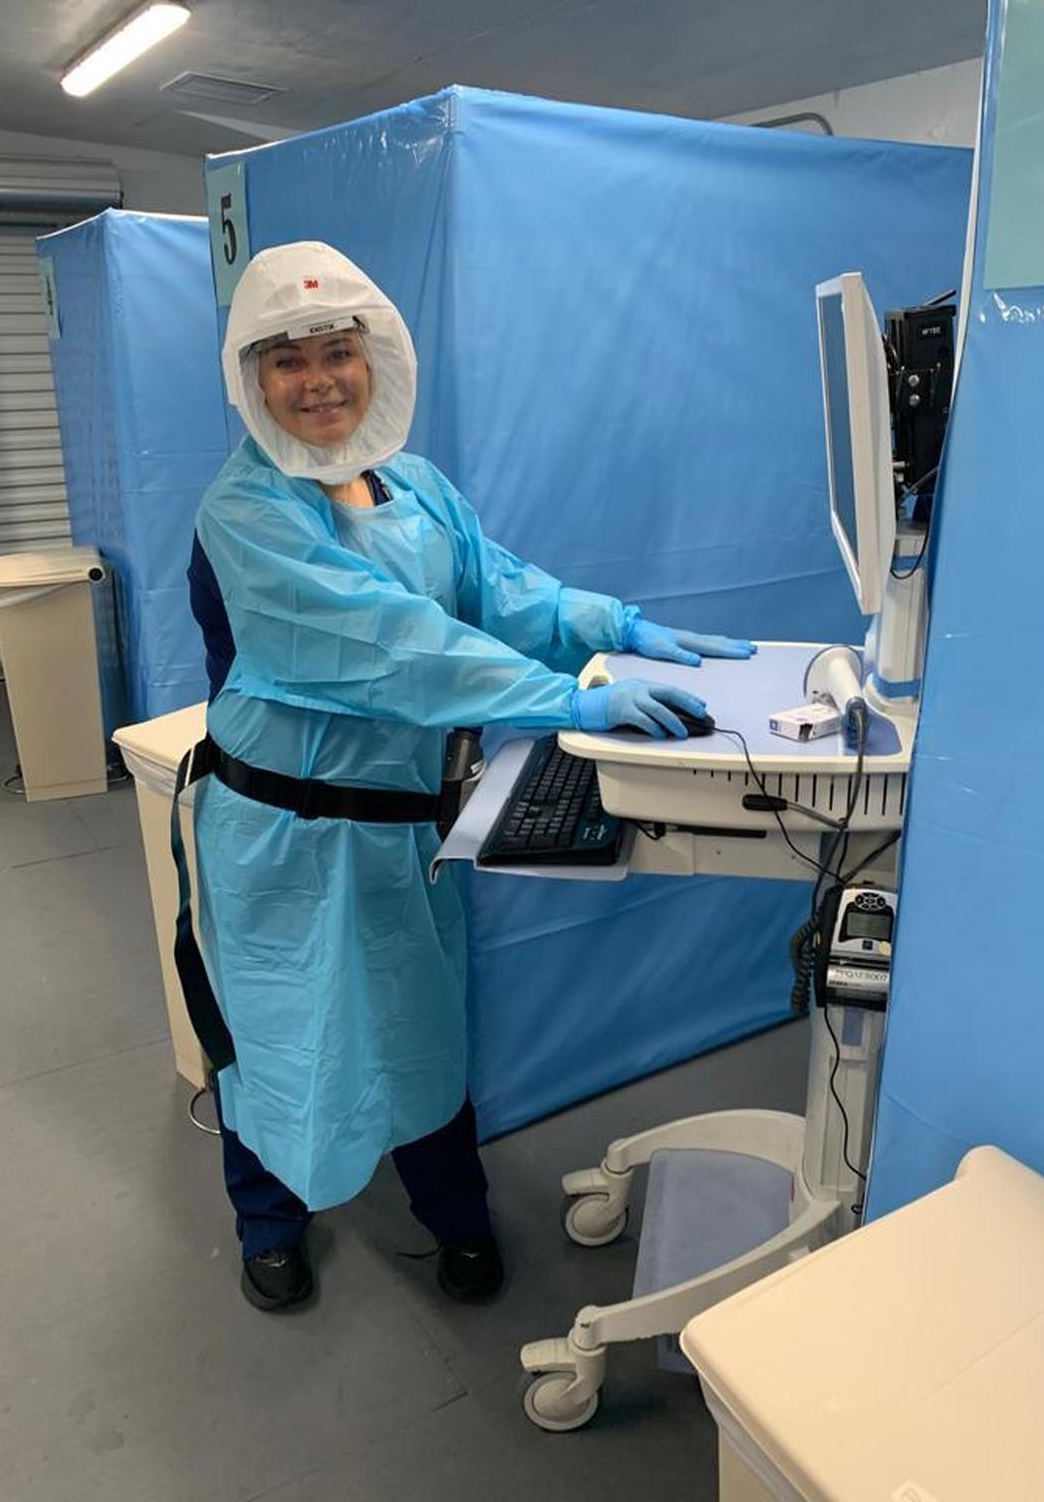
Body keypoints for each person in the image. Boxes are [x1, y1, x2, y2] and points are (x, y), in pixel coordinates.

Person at [186, 241, 755, 1312]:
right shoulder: (248, 510)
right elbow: (389, 642)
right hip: (282, 837)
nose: (317, 381)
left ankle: (456, 1216)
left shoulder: (415, 486)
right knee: (278, 1034)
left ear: (375, 356)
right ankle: (268, 1220)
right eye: (286, 359)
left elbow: (501, 590)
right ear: (251, 378)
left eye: (336, 351)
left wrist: (615, 625)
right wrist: (564, 702)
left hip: (403, 825)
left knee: (423, 1031)